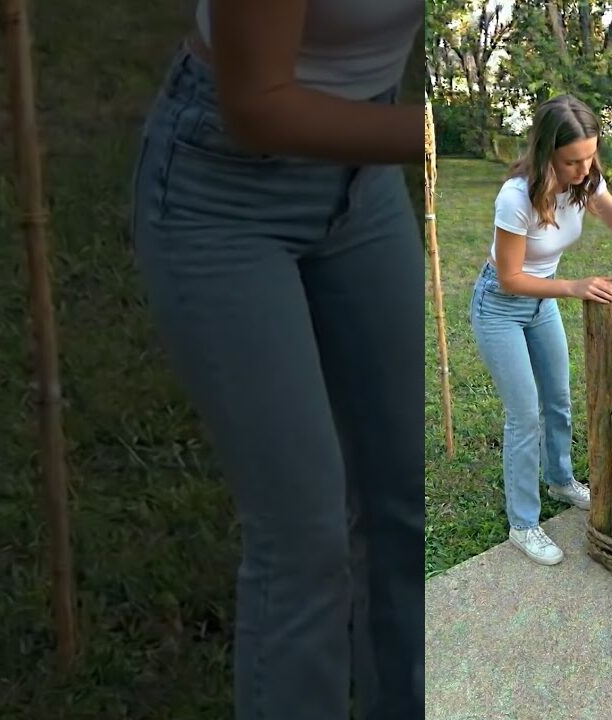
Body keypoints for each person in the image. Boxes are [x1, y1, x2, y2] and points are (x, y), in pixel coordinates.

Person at [129, 2, 423, 719]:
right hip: (224, 189)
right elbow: (257, 107)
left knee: (409, 499)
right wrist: (442, 136)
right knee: (302, 541)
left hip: (366, 180)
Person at [470, 94, 612, 566]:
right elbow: (510, 278)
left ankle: (559, 479)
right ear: (547, 153)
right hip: (501, 307)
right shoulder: (516, 197)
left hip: (542, 305)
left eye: (590, 156)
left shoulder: (587, 180)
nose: (584, 168)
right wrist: (574, 287)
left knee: (558, 400)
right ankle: (523, 523)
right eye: (572, 160)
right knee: (524, 415)